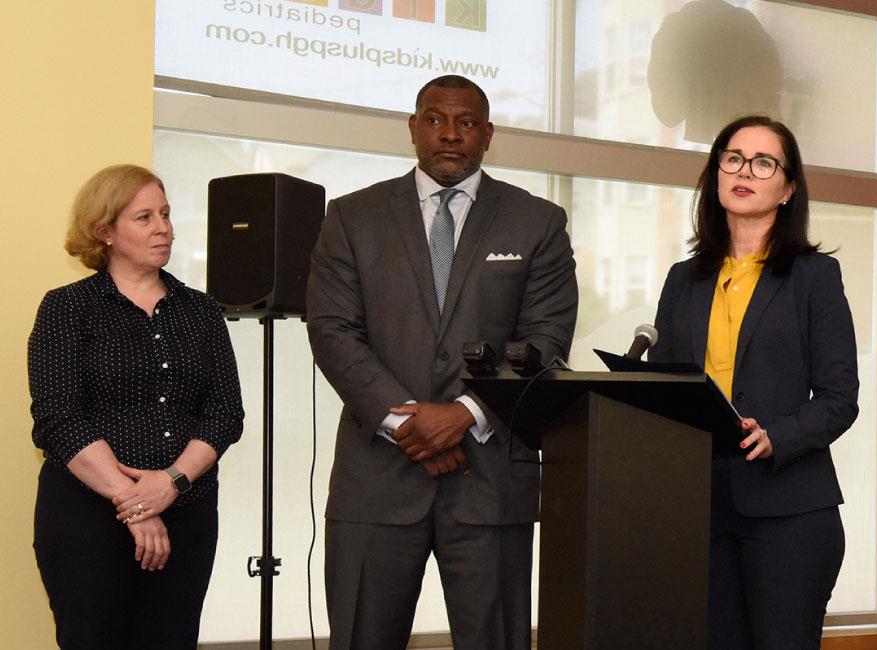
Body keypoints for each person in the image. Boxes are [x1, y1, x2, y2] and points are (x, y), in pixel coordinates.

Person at [307, 75, 578, 650]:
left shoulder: (538, 222)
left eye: (467, 122)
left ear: (488, 135)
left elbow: (546, 338)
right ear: (412, 128)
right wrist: (406, 423)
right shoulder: (352, 218)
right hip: (376, 481)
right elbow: (333, 332)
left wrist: (464, 414)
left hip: (489, 479)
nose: (450, 135)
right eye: (434, 119)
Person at [648, 115, 859, 649]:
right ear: (716, 172)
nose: (745, 170)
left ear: (788, 189)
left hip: (789, 511)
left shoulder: (814, 277)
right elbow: (668, 389)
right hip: (701, 508)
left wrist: (777, 436)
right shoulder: (683, 279)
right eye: (733, 157)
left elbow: (840, 398)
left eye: (764, 162)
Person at [28, 164, 245, 648]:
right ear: (105, 231)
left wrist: (170, 483)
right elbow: (58, 419)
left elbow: (226, 414)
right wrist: (137, 506)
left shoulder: (202, 310)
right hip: (87, 519)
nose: (163, 227)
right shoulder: (66, 308)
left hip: (187, 512)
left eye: (165, 214)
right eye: (144, 217)